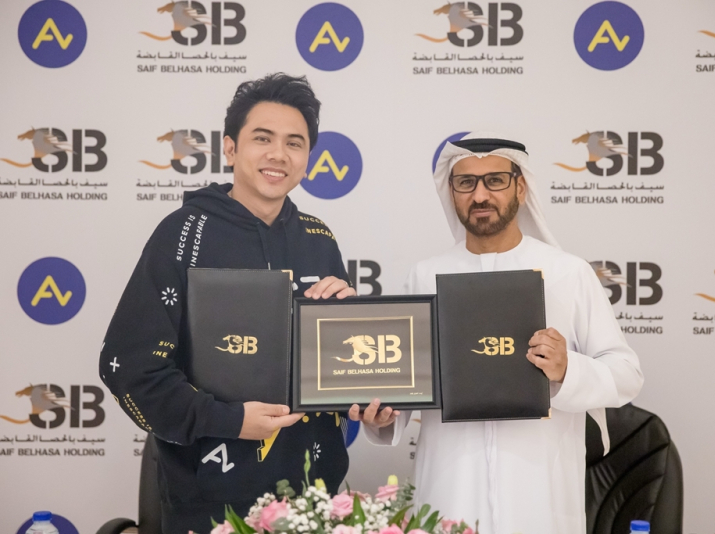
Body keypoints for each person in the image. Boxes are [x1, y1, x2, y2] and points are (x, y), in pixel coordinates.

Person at [349, 132, 644, 534]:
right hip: (450, 486)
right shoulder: (424, 276)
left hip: (540, 493)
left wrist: (567, 369)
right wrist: (382, 417)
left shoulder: (568, 273)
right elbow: (404, 386)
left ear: (520, 188)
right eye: (466, 183)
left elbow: (626, 374)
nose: (480, 195)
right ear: (452, 193)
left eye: (495, 180)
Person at [99, 73, 355, 534]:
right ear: (231, 149)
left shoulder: (319, 239)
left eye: (294, 143)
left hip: (315, 499)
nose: (279, 154)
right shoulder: (181, 233)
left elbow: (334, 374)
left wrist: (351, 340)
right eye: (263, 138)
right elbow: (129, 367)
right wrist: (231, 420)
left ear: (307, 159)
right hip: (207, 506)